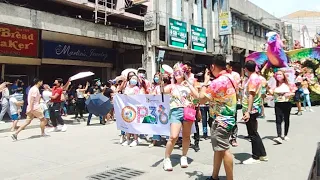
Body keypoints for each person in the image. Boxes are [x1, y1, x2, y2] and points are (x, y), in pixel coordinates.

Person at [199, 56, 236, 180]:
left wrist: (205, 82)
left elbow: (202, 98)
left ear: (213, 66)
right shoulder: (231, 77)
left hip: (221, 120)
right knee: (219, 149)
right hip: (229, 118)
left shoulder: (218, 82)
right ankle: (214, 176)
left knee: (224, 150)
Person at [163, 62, 199, 171]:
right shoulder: (171, 86)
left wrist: (188, 85)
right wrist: (162, 78)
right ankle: (167, 158)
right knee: (173, 136)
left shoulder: (189, 84)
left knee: (187, 136)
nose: (177, 74)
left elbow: (197, 96)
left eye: (180, 71)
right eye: (175, 72)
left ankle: (184, 156)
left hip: (187, 111)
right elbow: (161, 91)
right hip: (175, 111)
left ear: (184, 73)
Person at [242, 60, 268, 164]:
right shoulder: (254, 78)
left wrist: (248, 111)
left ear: (246, 69)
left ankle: (256, 156)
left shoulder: (253, 79)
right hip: (252, 108)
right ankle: (262, 154)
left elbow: (251, 95)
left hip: (251, 109)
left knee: (252, 133)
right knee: (253, 133)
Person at [269, 70, 295, 144]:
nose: (278, 76)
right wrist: (270, 93)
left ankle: (285, 134)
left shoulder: (288, 84)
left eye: (280, 74)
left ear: (284, 76)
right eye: (277, 74)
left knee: (286, 118)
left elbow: (293, 92)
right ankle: (279, 136)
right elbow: (271, 92)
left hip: (287, 103)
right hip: (278, 103)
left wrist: (289, 94)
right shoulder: (275, 84)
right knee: (278, 119)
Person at [121, 74, 142, 147]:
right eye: (132, 78)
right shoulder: (127, 87)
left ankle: (135, 139)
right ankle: (128, 139)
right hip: (126, 107)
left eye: (135, 79)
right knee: (127, 123)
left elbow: (137, 98)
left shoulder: (136, 88)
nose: (134, 80)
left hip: (134, 108)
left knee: (133, 124)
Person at [226, 63, 241, 147]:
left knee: (233, 119)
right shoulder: (223, 75)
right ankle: (225, 137)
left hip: (233, 99)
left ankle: (234, 137)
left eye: (228, 69)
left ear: (231, 68)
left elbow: (236, 86)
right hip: (224, 100)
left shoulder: (235, 75)